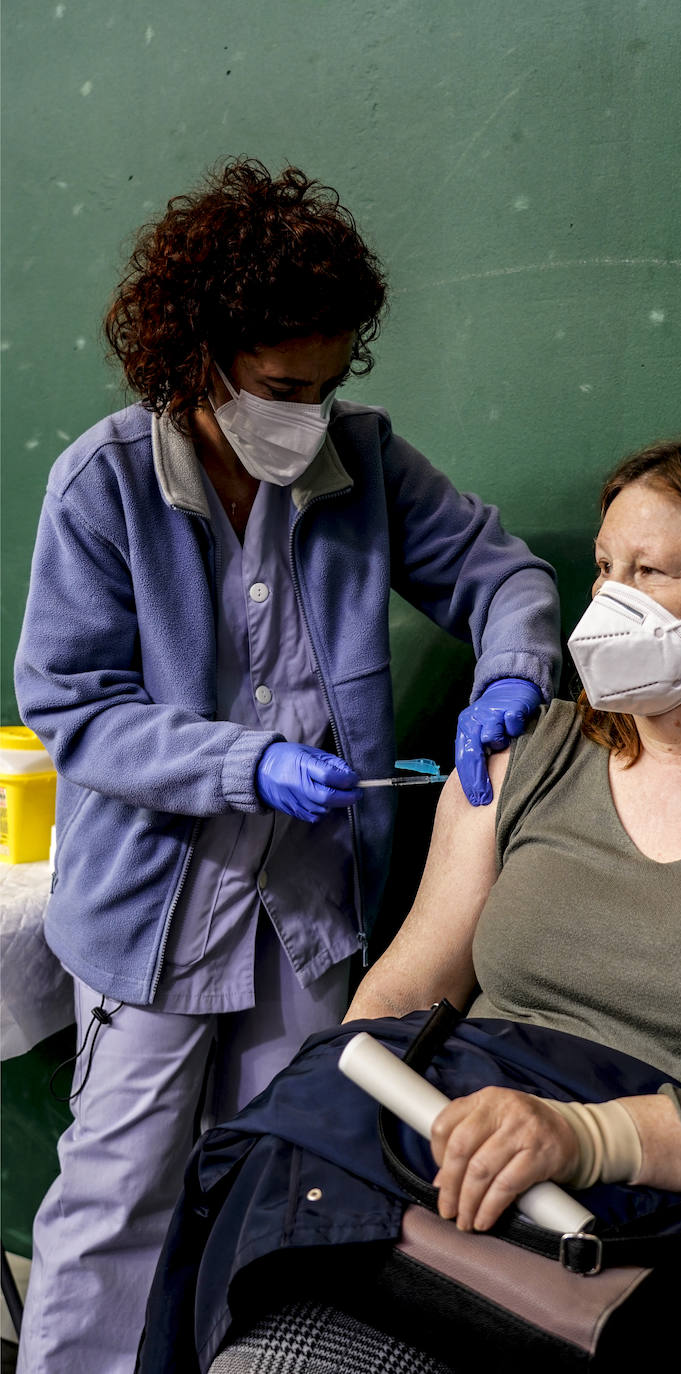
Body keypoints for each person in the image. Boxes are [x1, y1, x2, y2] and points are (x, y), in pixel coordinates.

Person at [140, 436, 681, 1373]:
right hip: (455, 1160)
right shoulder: (528, 757)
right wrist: (350, 1120)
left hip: (668, 1227)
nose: (607, 605)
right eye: (602, 570)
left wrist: (583, 1137)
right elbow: (403, 992)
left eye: (650, 572)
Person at [12, 157, 561, 1374]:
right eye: (275, 387)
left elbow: (504, 574)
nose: (302, 416)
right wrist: (238, 764)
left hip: (308, 917)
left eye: (322, 385)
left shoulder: (358, 461)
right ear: (194, 355)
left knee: (278, 1186)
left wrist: (513, 670)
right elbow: (74, 706)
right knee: (117, 1207)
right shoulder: (102, 486)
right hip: (156, 917)